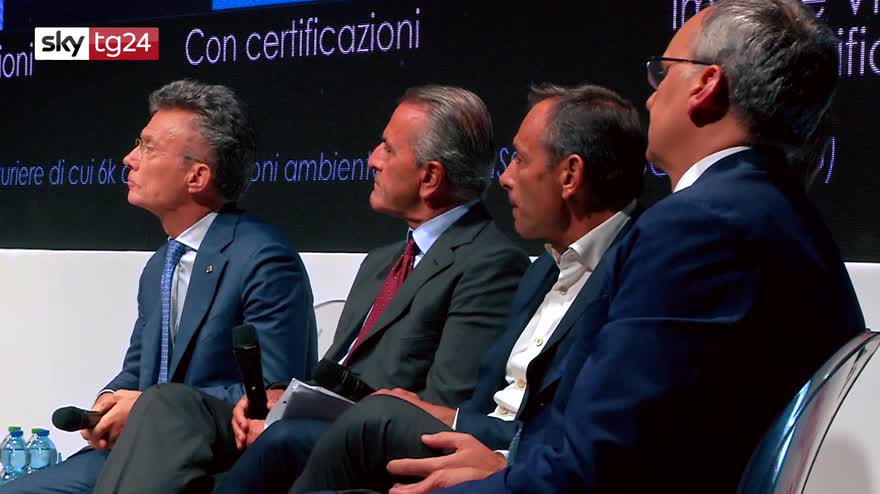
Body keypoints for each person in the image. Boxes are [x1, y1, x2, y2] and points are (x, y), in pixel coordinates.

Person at [292, 1, 867, 493]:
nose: (651, 97)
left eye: (663, 73)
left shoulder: (699, 225)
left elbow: (595, 464)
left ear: (706, 86)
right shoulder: (785, 217)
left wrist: (496, 474)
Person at [91, 85, 529, 494]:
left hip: (368, 450)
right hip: (310, 434)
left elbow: (439, 411)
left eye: (388, 149)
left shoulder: (488, 263)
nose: (372, 159)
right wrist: (281, 401)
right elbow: (334, 374)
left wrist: (295, 416)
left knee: (172, 407)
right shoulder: (381, 261)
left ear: (430, 178)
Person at [280, 82, 646, 494]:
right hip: (479, 445)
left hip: (525, 470)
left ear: (570, 175)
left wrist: (488, 450)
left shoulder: (631, 272)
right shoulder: (544, 269)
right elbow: (484, 401)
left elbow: (584, 435)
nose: (504, 178)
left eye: (520, 160)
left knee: (355, 422)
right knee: (278, 434)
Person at [0, 80, 318, 494]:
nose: (129, 159)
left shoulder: (263, 257)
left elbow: (274, 394)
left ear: (196, 176)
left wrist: (146, 409)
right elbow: (140, 368)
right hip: (140, 448)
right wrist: (111, 399)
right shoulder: (162, 265)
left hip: (217, 460)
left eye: (148, 148)